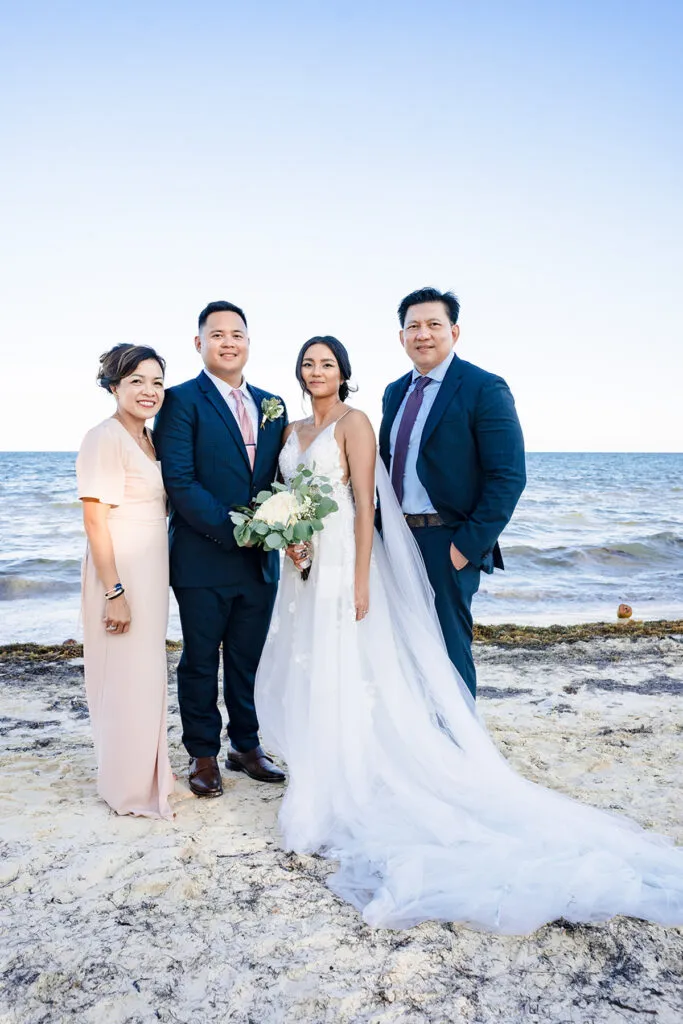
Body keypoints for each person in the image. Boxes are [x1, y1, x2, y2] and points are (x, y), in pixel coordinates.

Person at [255, 335, 683, 934]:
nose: (316, 370)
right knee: (317, 658)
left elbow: (372, 504)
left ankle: (445, 747)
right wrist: (292, 536)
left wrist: (375, 575)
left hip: (373, 554)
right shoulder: (313, 421)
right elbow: (300, 496)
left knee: (404, 652)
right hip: (305, 564)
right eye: (308, 362)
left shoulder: (382, 415)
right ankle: (324, 758)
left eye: (327, 362)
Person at [154, 300, 293, 798]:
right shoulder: (180, 401)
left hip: (261, 562)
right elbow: (181, 482)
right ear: (199, 343)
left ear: (249, 343)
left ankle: (246, 746)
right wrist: (239, 529)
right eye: (217, 335)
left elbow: (283, 479)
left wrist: (286, 528)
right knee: (198, 659)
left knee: (247, 658)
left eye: (237, 334)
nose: (228, 342)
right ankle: (203, 753)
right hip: (201, 557)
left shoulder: (273, 405)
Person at [379, 287, 526, 697]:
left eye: (433, 325)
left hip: (446, 540)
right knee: (404, 646)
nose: (422, 334)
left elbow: (508, 477)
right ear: (401, 337)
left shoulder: (483, 387)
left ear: (454, 332)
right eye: (413, 327)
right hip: (395, 538)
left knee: (448, 647)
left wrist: (466, 546)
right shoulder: (395, 391)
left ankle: (460, 747)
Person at [76, 344, 175, 820]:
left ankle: (150, 777)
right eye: (136, 380)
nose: (148, 390)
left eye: (156, 381)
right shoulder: (105, 437)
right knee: (125, 678)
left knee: (146, 675)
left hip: (152, 573)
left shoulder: (150, 439)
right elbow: (96, 521)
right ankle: (127, 788)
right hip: (122, 575)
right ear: (114, 386)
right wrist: (114, 592)